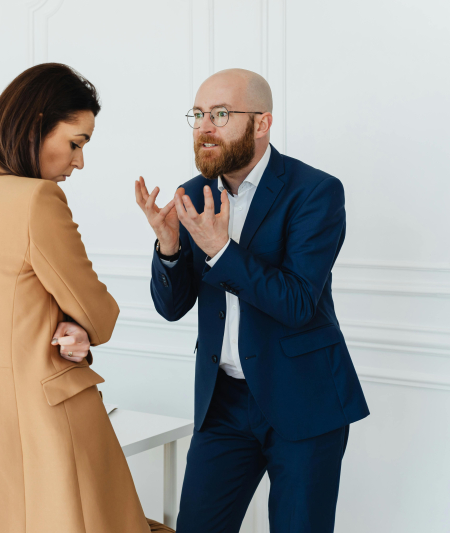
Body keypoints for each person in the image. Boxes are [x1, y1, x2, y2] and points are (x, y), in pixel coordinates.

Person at [0, 63, 170, 533]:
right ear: (37, 123)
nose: (78, 162)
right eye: (76, 143)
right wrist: (81, 323)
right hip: (46, 417)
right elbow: (99, 313)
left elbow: (11, 299)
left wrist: (66, 322)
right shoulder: (35, 200)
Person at [136, 68, 369, 532]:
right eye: (198, 114)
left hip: (303, 399)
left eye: (220, 114)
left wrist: (222, 252)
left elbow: (299, 302)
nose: (205, 126)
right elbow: (172, 307)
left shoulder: (316, 192)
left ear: (261, 123)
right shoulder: (194, 193)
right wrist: (168, 247)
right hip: (222, 403)